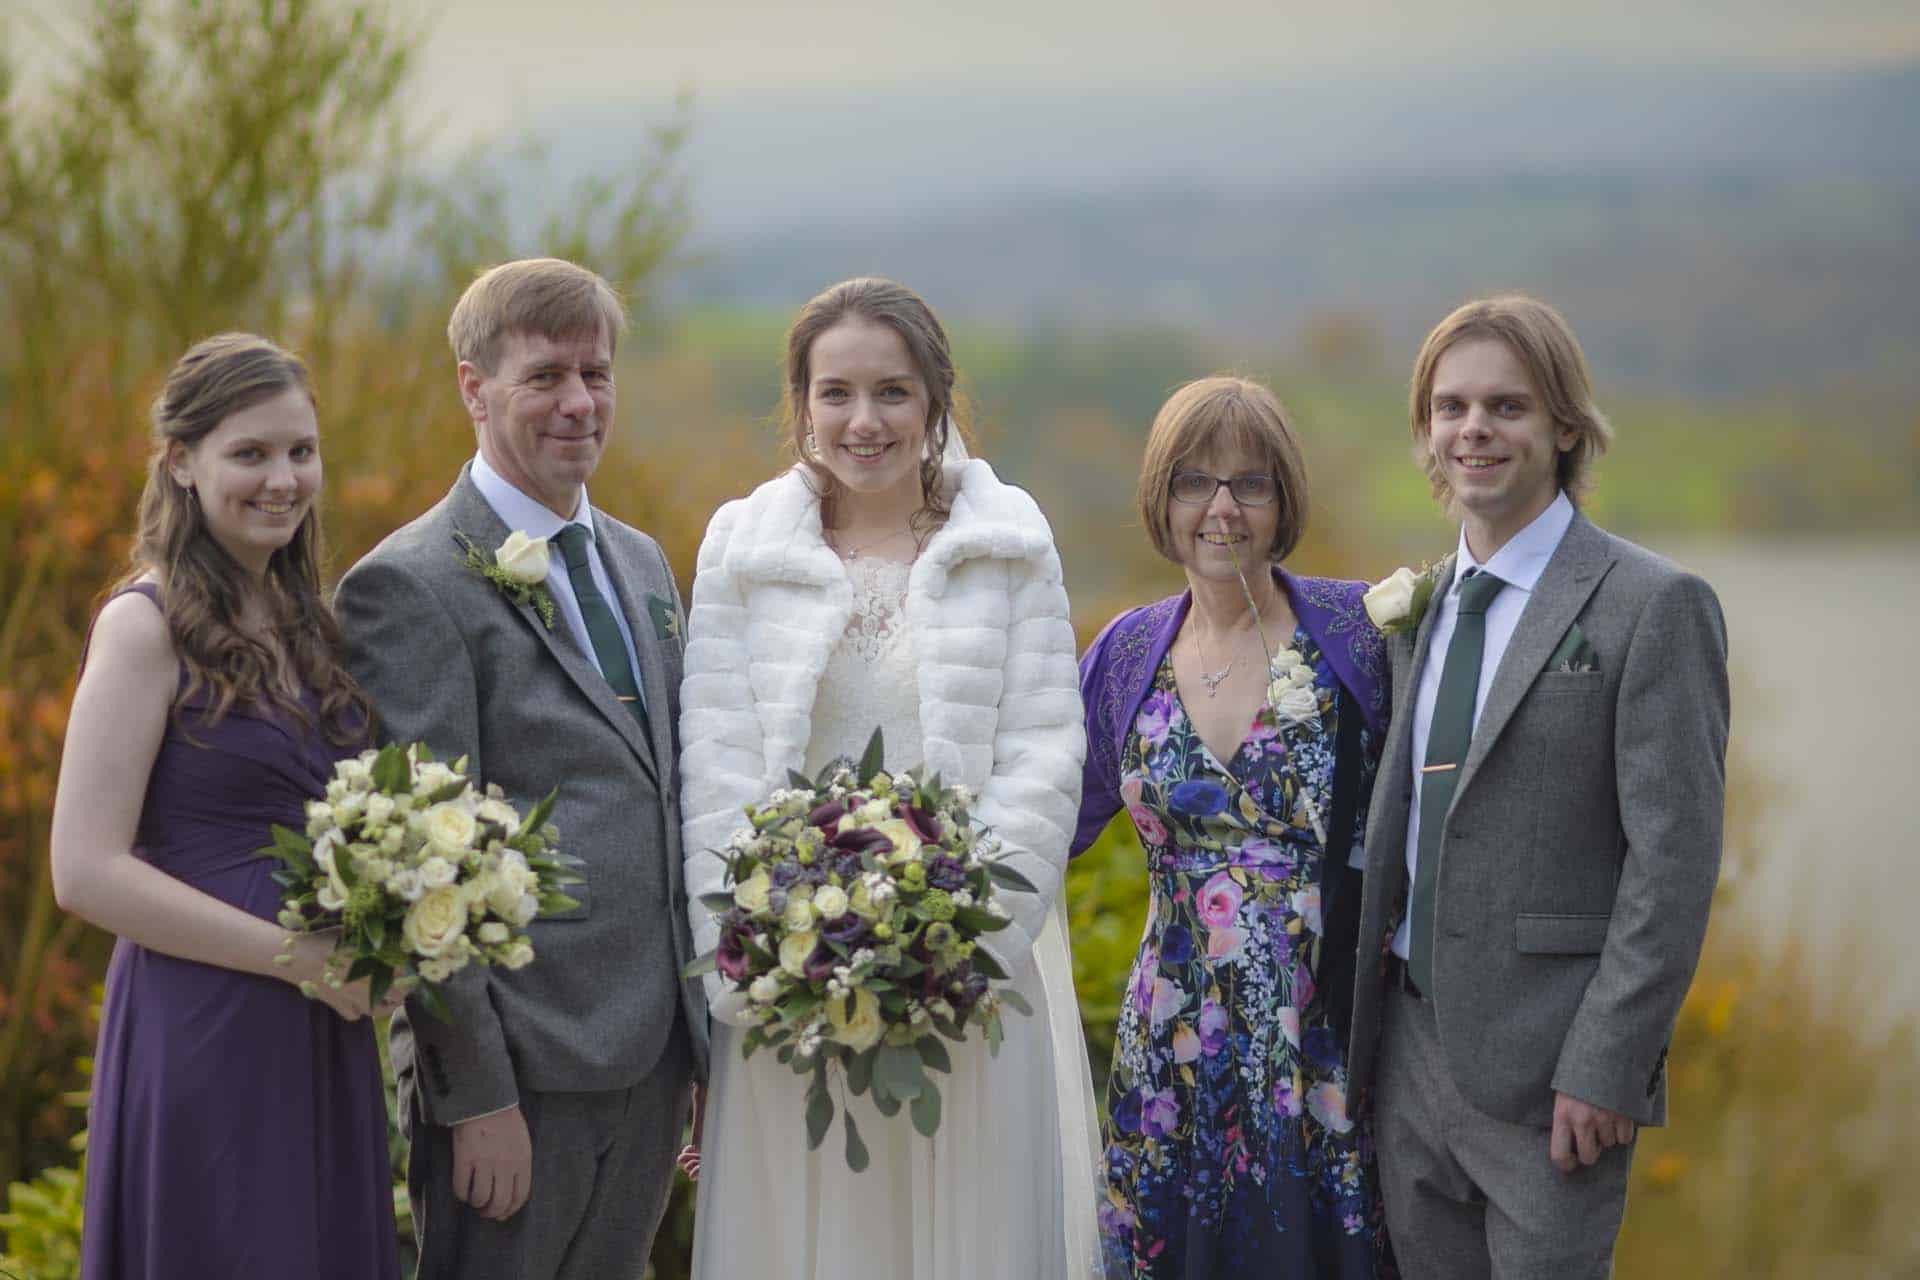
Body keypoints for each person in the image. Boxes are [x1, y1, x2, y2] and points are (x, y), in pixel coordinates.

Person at [677, 276, 1098, 1279]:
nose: (863, 420)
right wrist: (762, 949)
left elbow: (1044, 747)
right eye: (836, 392)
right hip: (792, 984)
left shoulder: (1008, 544)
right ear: (802, 405)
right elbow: (718, 761)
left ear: (936, 401)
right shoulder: (743, 548)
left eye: (893, 391)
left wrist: (958, 935)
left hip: (969, 982)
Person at [333, 258, 706, 1278]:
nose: (578, 401)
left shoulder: (639, 561)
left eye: (596, 373)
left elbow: (667, 798)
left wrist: (705, 1048)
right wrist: (478, 1095)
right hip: (521, 1078)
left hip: (654, 1056)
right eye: (544, 376)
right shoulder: (406, 587)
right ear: (473, 386)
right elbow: (420, 872)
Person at [1345, 295, 1729, 1276]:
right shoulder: (1424, 607)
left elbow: (1673, 861)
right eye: (1451, 407)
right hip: (1408, 1053)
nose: (1474, 428)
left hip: (1555, 1078)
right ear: (1428, 431)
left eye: (1506, 406)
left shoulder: (1654, 605)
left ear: (1564, 425)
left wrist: (1608, 1063)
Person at [51, 333, 399, 1279]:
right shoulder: (143, 625)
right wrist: (298, 959)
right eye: (249, 453)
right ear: (182, 462)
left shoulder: (316, 629)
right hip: (203, 1026)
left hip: (319, 1032)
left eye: (300, 452)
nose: (282, 479)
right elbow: (84, 871)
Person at [1074, 377, 1394, 1278]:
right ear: (1160, 499)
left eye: (1249, 484)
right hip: (1170, 1029)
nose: (1221, 507)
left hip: (1320, 1029)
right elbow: (1043, 818)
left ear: (1284, 498)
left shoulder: (1358, 637)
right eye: (1193, 482)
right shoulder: (1127, 653)